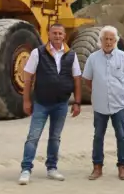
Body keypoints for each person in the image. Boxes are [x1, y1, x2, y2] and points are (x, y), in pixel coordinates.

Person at [18, 22, 82, 185]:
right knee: (33, 137)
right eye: (54, 33)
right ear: (48, 34)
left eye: (60, 33)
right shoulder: (37, 53)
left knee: (55, 138)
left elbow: (77, 79)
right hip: (41, 103)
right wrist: (26, 100)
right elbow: (28, 77)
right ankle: (26, 169)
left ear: (64, 36)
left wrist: (77, 102)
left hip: (61, 104)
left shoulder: (71, 55)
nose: (58, 36)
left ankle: (52, 168)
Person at [82, 25, 124, 181]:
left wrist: (120, 90)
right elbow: (87, 80)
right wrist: (100, 91)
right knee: (98, 136)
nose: (108, 42)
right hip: (99, 105)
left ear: (116, 41)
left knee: (122, 136)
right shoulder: (93, 58)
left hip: (118, 105)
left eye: (111, 39)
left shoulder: (123, 57)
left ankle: (122, 167)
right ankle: (97, 167)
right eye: (106, 39)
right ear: (100, 40)